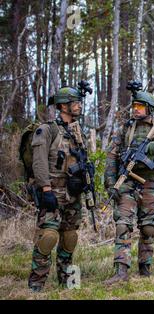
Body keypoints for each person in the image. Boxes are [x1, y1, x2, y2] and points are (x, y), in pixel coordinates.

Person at [104, 86, 154, 284]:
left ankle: (145, 267)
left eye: (140, 106)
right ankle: (121, 271)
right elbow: (111, 156)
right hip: (127, 182)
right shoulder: (124, 129)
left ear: (149, 108)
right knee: (123, 225)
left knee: (148, 228)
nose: (136, 109)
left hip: (150, 183)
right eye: (134, 105)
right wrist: (110, 183)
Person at [28, 85, 91, 292]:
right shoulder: (47, 130)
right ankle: (36, 285)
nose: (79, 106)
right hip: (52, 193)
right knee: (48, 237)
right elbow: (39, 162)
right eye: (75, 103)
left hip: (73, 195)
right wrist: (45, 189)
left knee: (70, 238)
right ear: (63, 106)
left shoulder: (77, 131)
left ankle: (70, 284)